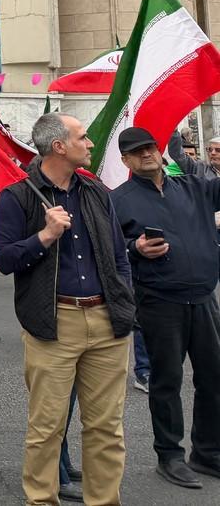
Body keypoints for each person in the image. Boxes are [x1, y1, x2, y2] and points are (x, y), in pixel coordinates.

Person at [0, 113, 134, 506]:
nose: (89, 144)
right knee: (47, 427)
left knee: (107, 427)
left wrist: (124, 298)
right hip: (55, 322)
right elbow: (4, 259)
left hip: (107, 321)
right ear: (59, 146)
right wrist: (45, 235)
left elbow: (118, 253)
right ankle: (41, 500)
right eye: (82, 138)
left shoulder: (95, 191)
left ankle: (104, 501)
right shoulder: (17, 195)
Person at [110, 126, 220, 489]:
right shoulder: (119, 199)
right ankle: (169, 455)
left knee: (213, 378)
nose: (147, 155)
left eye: (151, 148)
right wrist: (134, 248)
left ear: (161, 151)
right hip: (160, 301)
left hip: (204, 298)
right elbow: (111, 249)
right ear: (125, 160)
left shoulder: (193, 187)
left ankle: (207, 452)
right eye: (137, 152)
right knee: (167, 380)